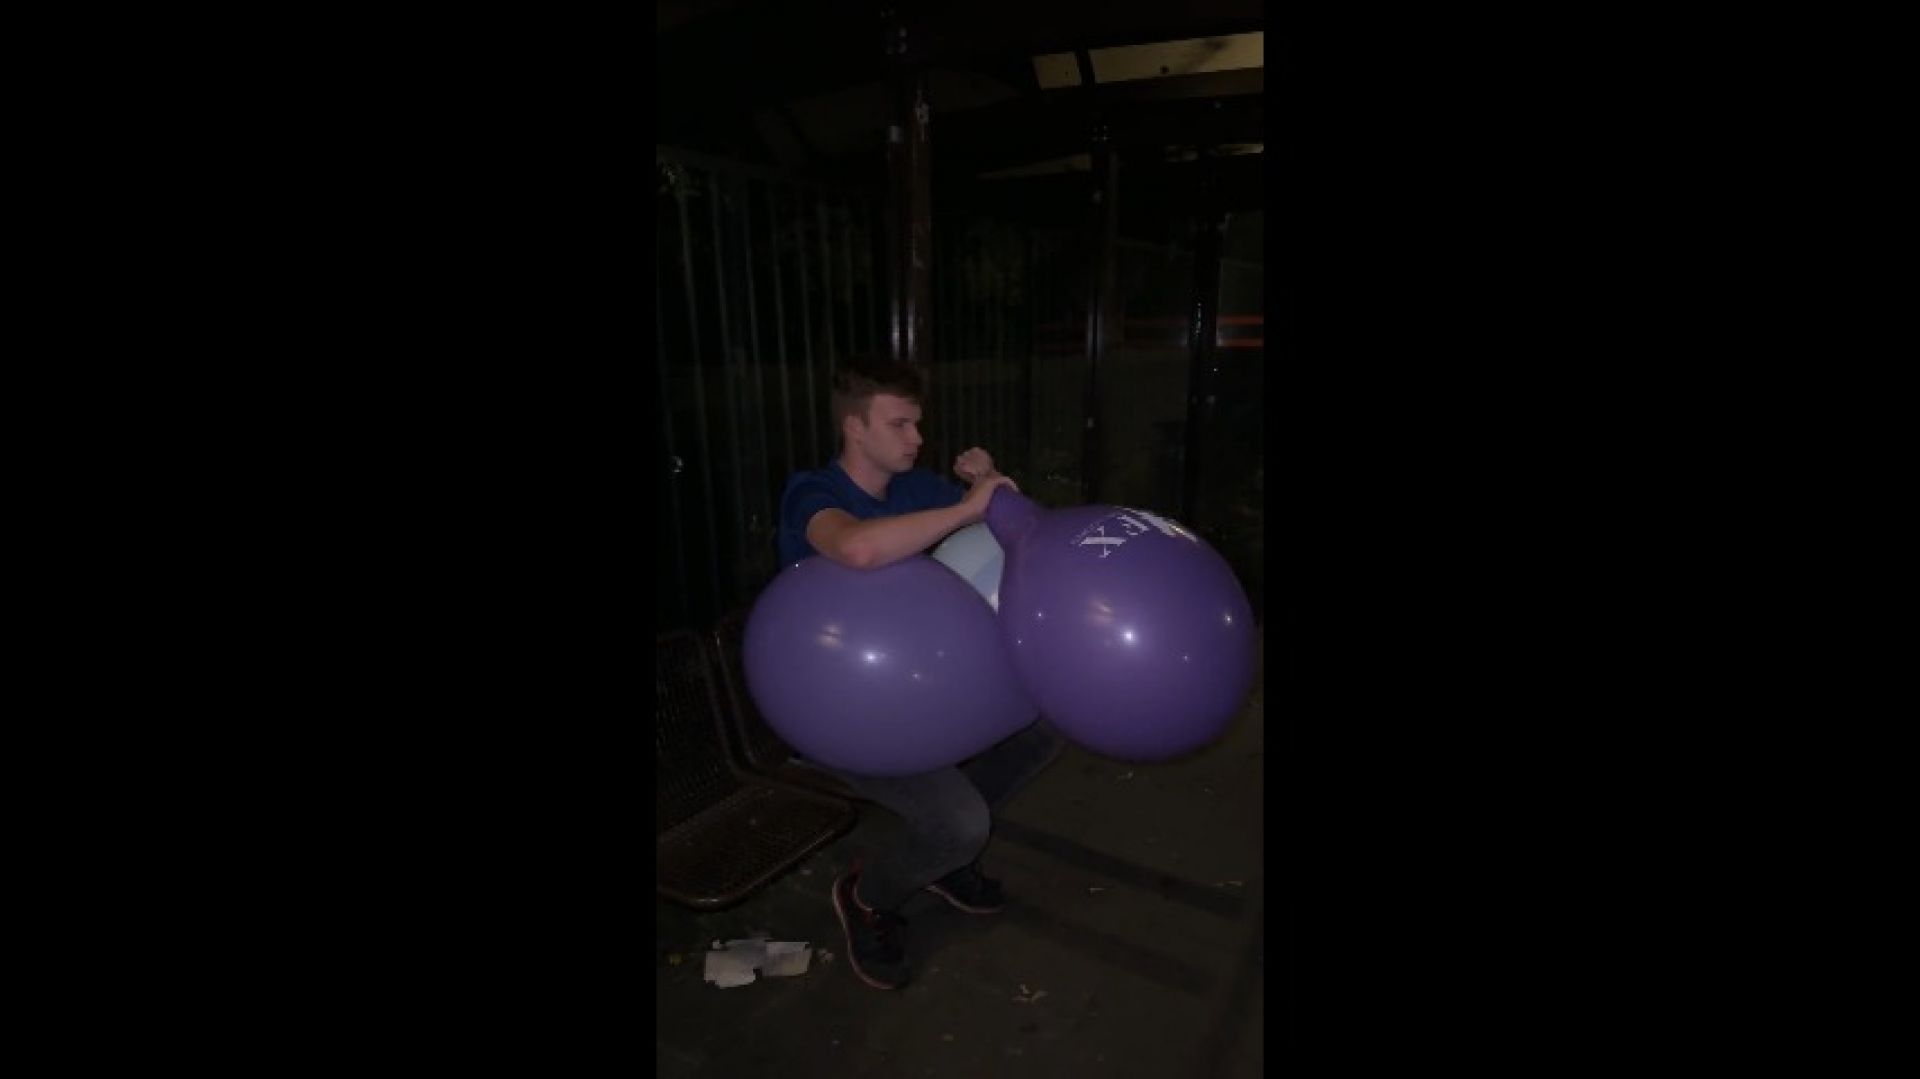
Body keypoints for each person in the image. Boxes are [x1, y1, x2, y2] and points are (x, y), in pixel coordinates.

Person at [776, 354, 1064, 991]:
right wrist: (966, 510)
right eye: (900, 424)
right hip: (834, 710)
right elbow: (855, 548)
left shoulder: (915, 492)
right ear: (856, 428)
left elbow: (1026, 533)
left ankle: (939, 854)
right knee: (962, 822)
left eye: (918, 424)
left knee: (1042, 728)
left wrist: (995, 484)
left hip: (914, 696)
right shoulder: (814, 494)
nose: (918, 439)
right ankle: (870, 896)